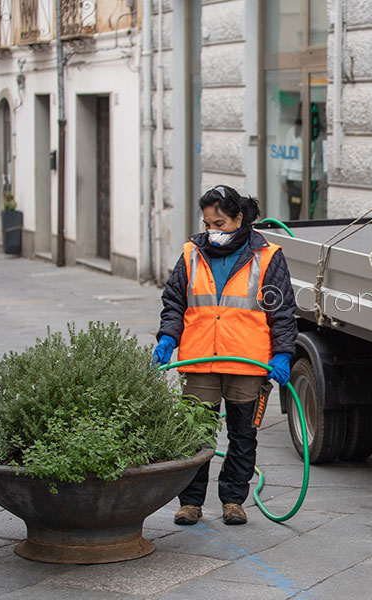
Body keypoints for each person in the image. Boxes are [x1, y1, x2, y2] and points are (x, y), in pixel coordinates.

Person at [152, 185, 298, 526]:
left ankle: (233, 500)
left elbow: (282, 313)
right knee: (194, 435)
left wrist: (283, 355)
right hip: (199, 358)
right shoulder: (191, 253)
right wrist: (167, 337)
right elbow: (175, 302)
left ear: (239, 218)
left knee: (243, 435)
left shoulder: (267, 255)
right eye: (207, 224)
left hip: (248, 362)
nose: (212, 231)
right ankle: (190, 502)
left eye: (219, 223)